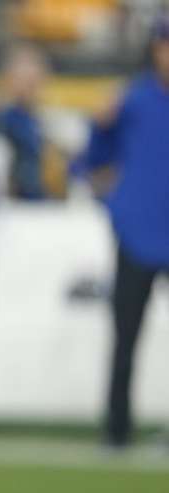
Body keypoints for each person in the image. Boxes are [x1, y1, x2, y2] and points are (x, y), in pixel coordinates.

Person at [85, 16, 169, 449]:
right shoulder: (132, 101)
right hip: (138, 232)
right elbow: (92, 159)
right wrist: (100, 126)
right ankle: (117, 428)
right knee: (125, 335)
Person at [0, 44, 50, 200]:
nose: (29, 85)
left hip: (42, 204)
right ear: (9, 80)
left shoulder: (42, 120)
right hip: (15, 205)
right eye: (23, 79)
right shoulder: (1, 120)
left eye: (33, 79)